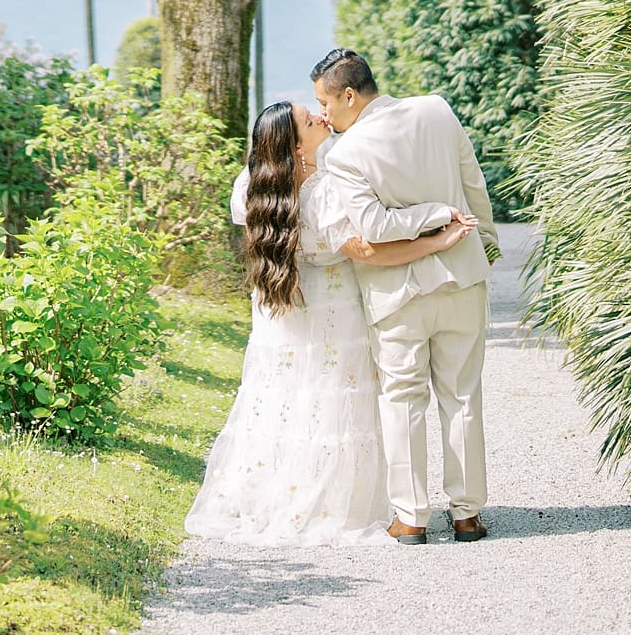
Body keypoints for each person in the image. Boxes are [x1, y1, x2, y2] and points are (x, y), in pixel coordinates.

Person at [184, 99, 477, 546]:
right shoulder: (327, 190)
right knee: (338, 406)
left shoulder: (251, 187)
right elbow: (369, 250)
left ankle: (285, 495)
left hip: (279, 309)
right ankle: (340, 503)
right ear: (296, 148)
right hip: (337, 314)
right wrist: (436, 241)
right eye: (308, 120)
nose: (321, 117)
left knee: (289, 402)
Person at [312, 47, 499, 545]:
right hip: (462, 273)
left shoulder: (344, 154)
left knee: (403, 400)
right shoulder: (436, 108)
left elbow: (372, 226)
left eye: (326, 104)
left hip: (396, 293)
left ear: (349, 95)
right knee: (462, 397)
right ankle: (467, 515)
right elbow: (471, 180)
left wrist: (424, 219)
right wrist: (478, 237)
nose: (324, 115)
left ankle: (412, 517)